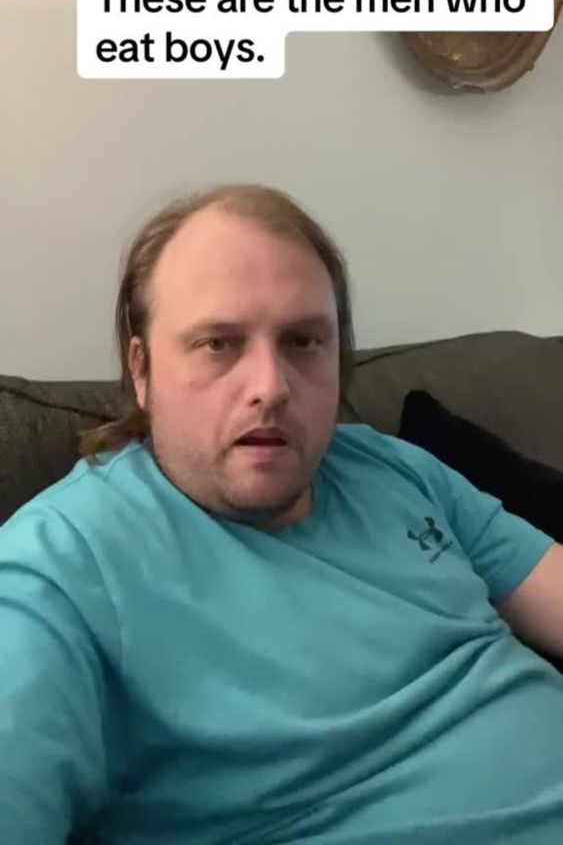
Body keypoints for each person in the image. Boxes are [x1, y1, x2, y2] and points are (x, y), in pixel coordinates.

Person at [1, 184, 562, 845]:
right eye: (218, 343)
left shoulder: (394, 468)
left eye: (302, 341)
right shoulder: (59, 570)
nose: (270, 386)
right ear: (142, 369)